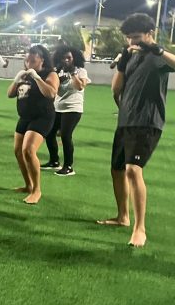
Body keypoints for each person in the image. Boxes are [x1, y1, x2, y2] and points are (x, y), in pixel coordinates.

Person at [98, 13, 175, 247]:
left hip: (147, 121)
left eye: (137, 37)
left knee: (133, 170)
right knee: (117, 169)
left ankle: (140, 229)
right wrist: (122, 62)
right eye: (129, 38)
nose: (133, 42)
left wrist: (157, 49)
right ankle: (123, 216)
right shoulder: (130, 56)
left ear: (149, 34)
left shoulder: (157, 56)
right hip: (126, 120)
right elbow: (115, 89)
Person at [7, 45, 59, 205]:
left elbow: (51, 93)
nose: (29, 63)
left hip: (42, 117)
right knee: (18, 152)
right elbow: (10, 94)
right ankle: (28, 185)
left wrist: (37, 77)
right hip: (24, 117)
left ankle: (37, 190)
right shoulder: (25, 75)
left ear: (42, 59)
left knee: (28, 151)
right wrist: (17, 80)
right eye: (27, 59)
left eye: (33, 60)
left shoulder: (50, 74)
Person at [43, 45, 90, 176]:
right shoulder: (57, 71)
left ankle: (68, 166)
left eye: (69, 57)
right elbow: (53, 90)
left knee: (65, 136)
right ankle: (54, 161)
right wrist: (58, 78)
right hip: (58, 107)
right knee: (50, 134)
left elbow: (80, 86)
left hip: (73, 108)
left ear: (74, 58)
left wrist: (72, 73)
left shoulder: (81, 71)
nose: (66, 60)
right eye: (64, 58)